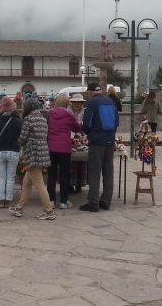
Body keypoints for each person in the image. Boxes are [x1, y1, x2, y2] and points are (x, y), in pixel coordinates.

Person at [9, 98, 55, 220]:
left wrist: (16, 143)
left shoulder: (28, 119)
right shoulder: (42, 119)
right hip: (42, 152)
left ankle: (49, 211)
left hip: (32, 154)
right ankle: (19, 208)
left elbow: (22, 138)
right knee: (26, 184)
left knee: (39, 184)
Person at [80, 81, 119, 212]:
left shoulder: (90, 103)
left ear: (90, 92)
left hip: (96, 142)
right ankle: (106, 201)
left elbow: (87, 124)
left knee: (94, 172)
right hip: (110, 140)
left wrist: (88, 133)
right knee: (108, 171)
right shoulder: (111, 102)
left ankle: (93, 203)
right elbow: (117, 122)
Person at [47, 94, 82, 210]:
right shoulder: (69, 114)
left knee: (51, 174)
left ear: (56, 103)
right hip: (64, 148)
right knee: (64, 174)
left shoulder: (50, 114)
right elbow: (76, 128)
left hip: (51, 147)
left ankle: (51, 200)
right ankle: (63, 201)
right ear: (67, 104)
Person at [0, 96, 22, 208]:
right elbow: (21, 137)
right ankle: (8, 201)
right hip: (13, 150)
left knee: (1, 177)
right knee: (10, 178)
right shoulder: (18, 121)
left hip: (0, 151)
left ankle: (0, 200)